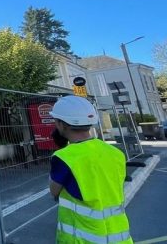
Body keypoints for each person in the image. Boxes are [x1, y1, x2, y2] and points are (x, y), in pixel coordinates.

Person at [49, 95, 132, 244]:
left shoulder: (64, 157)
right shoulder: (116, 153)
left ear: (62, 124)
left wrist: (63, 148)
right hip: (120, 237)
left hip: (82, 238)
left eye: (56, 121)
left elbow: (54, 192)